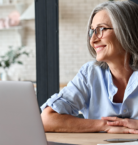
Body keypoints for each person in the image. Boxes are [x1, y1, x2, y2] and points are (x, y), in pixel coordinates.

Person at [41, 1, 138, 134]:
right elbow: (47, 119)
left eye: (102, 29)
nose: (93, 40)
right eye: (92, 31)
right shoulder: (90, 73)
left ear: (127, 30)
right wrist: (105, 125)